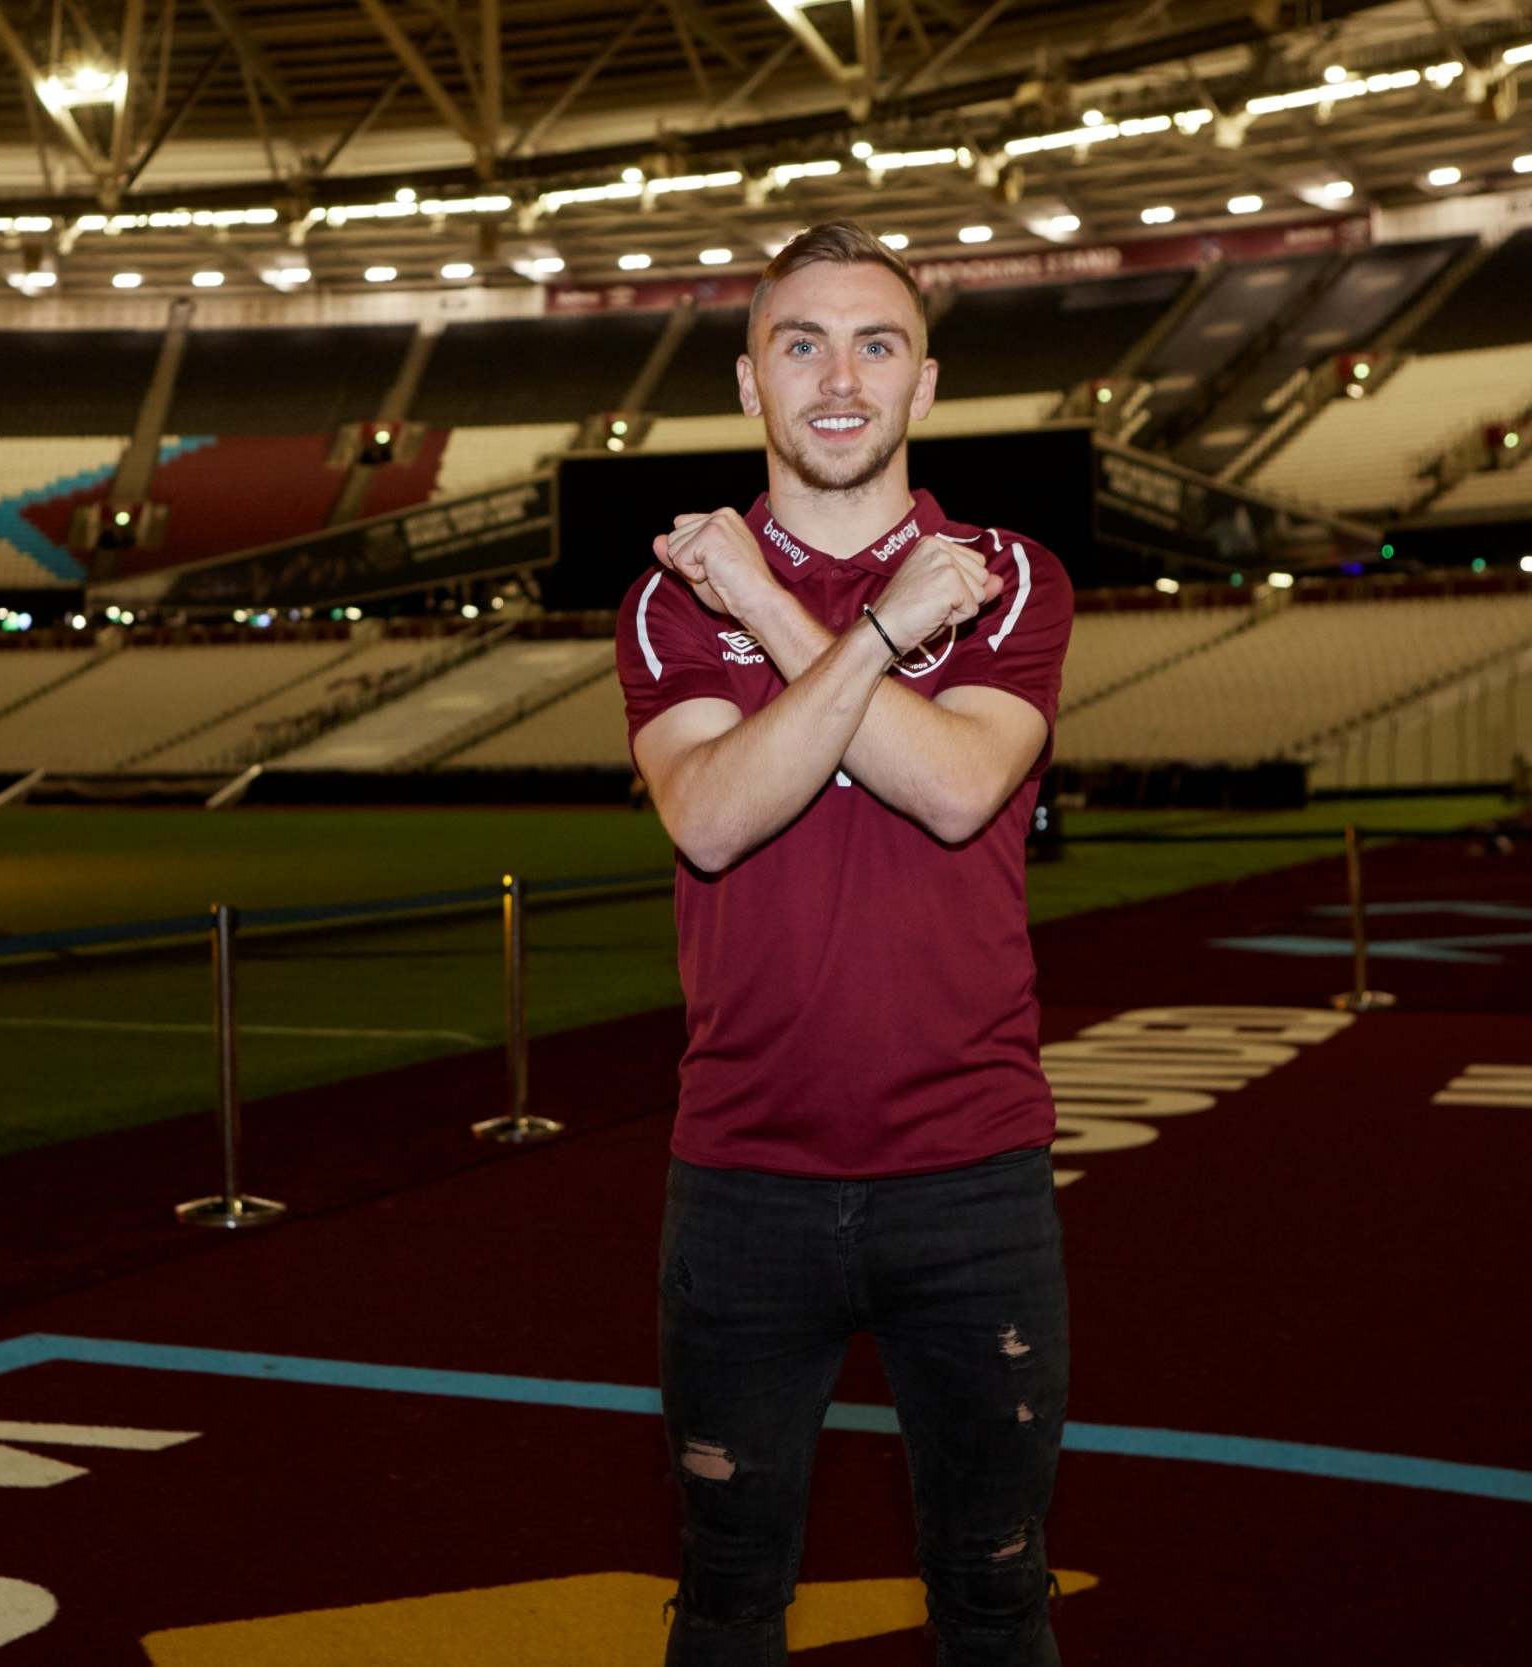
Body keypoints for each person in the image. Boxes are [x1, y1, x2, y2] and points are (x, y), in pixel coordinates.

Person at [614, 220, 1075, 1667]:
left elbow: (951, 789)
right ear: (748, 380)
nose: (836, 376)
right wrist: (847, 627)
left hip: (972, 1177)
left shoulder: (1006, 573)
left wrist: (769, 610)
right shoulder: (672, 595)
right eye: (798, 342)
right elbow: (707, 819)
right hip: (743, 1180)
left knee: (995, 1593)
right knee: (729, 1601)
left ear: (921, 385)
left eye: (873, 343)